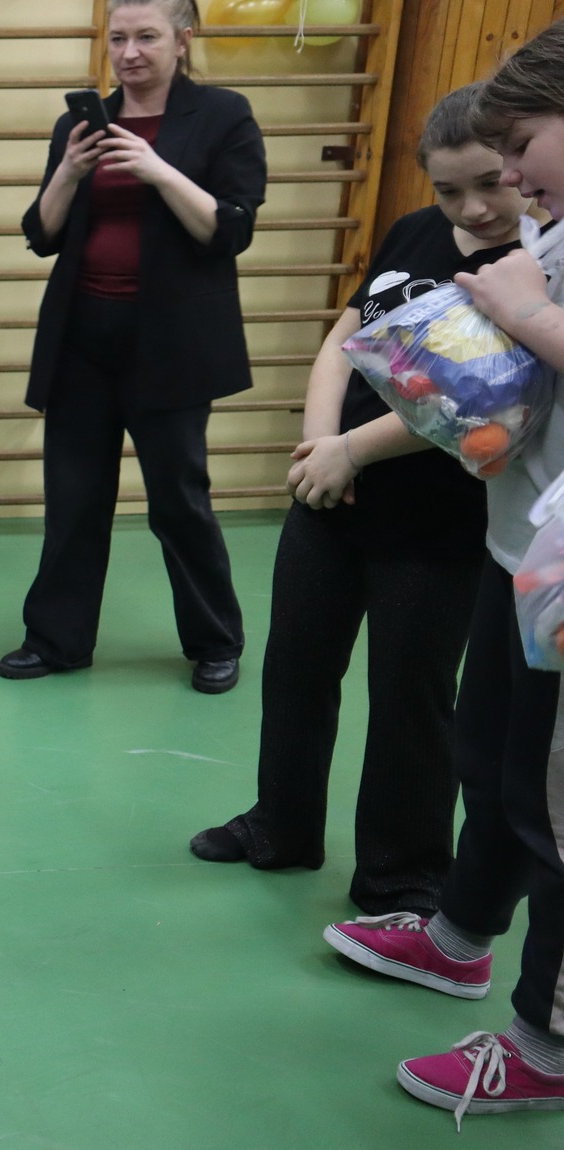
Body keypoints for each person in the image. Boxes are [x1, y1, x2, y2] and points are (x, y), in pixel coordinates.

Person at [189, 86, 522, 915]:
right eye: (450, 190)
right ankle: (281, 825)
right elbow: (345, 339)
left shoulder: (532, 268)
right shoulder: (413, 232)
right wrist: (319, 444)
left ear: (520, 165)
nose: (472, 209)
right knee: (296, 669)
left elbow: (481, 403)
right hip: (334, 496)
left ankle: (401, 872)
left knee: (411, 697)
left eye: (490, 184)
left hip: (436, 524)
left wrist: (352, 449)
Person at [321, 26, 564, 1124]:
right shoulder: (545, 227)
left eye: (519, 146)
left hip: (557, 579)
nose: (506, 174)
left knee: (552, 810)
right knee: (495, 766)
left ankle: (544, 1044)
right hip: (521, 552)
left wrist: (519, 312)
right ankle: (459, 939)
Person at [0, 0, 265, 694]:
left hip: (172, 342)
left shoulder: (223, 115)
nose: (130, 52)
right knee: (73, 498)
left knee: (178, 499)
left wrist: (157, 169)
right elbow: (41, 233)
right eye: (118, 38)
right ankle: (57, 640)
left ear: (183, 39)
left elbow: (229, 230)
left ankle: (215, 640)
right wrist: (69, 169)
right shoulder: (81, 124)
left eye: (147, 36)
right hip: (82, 337)